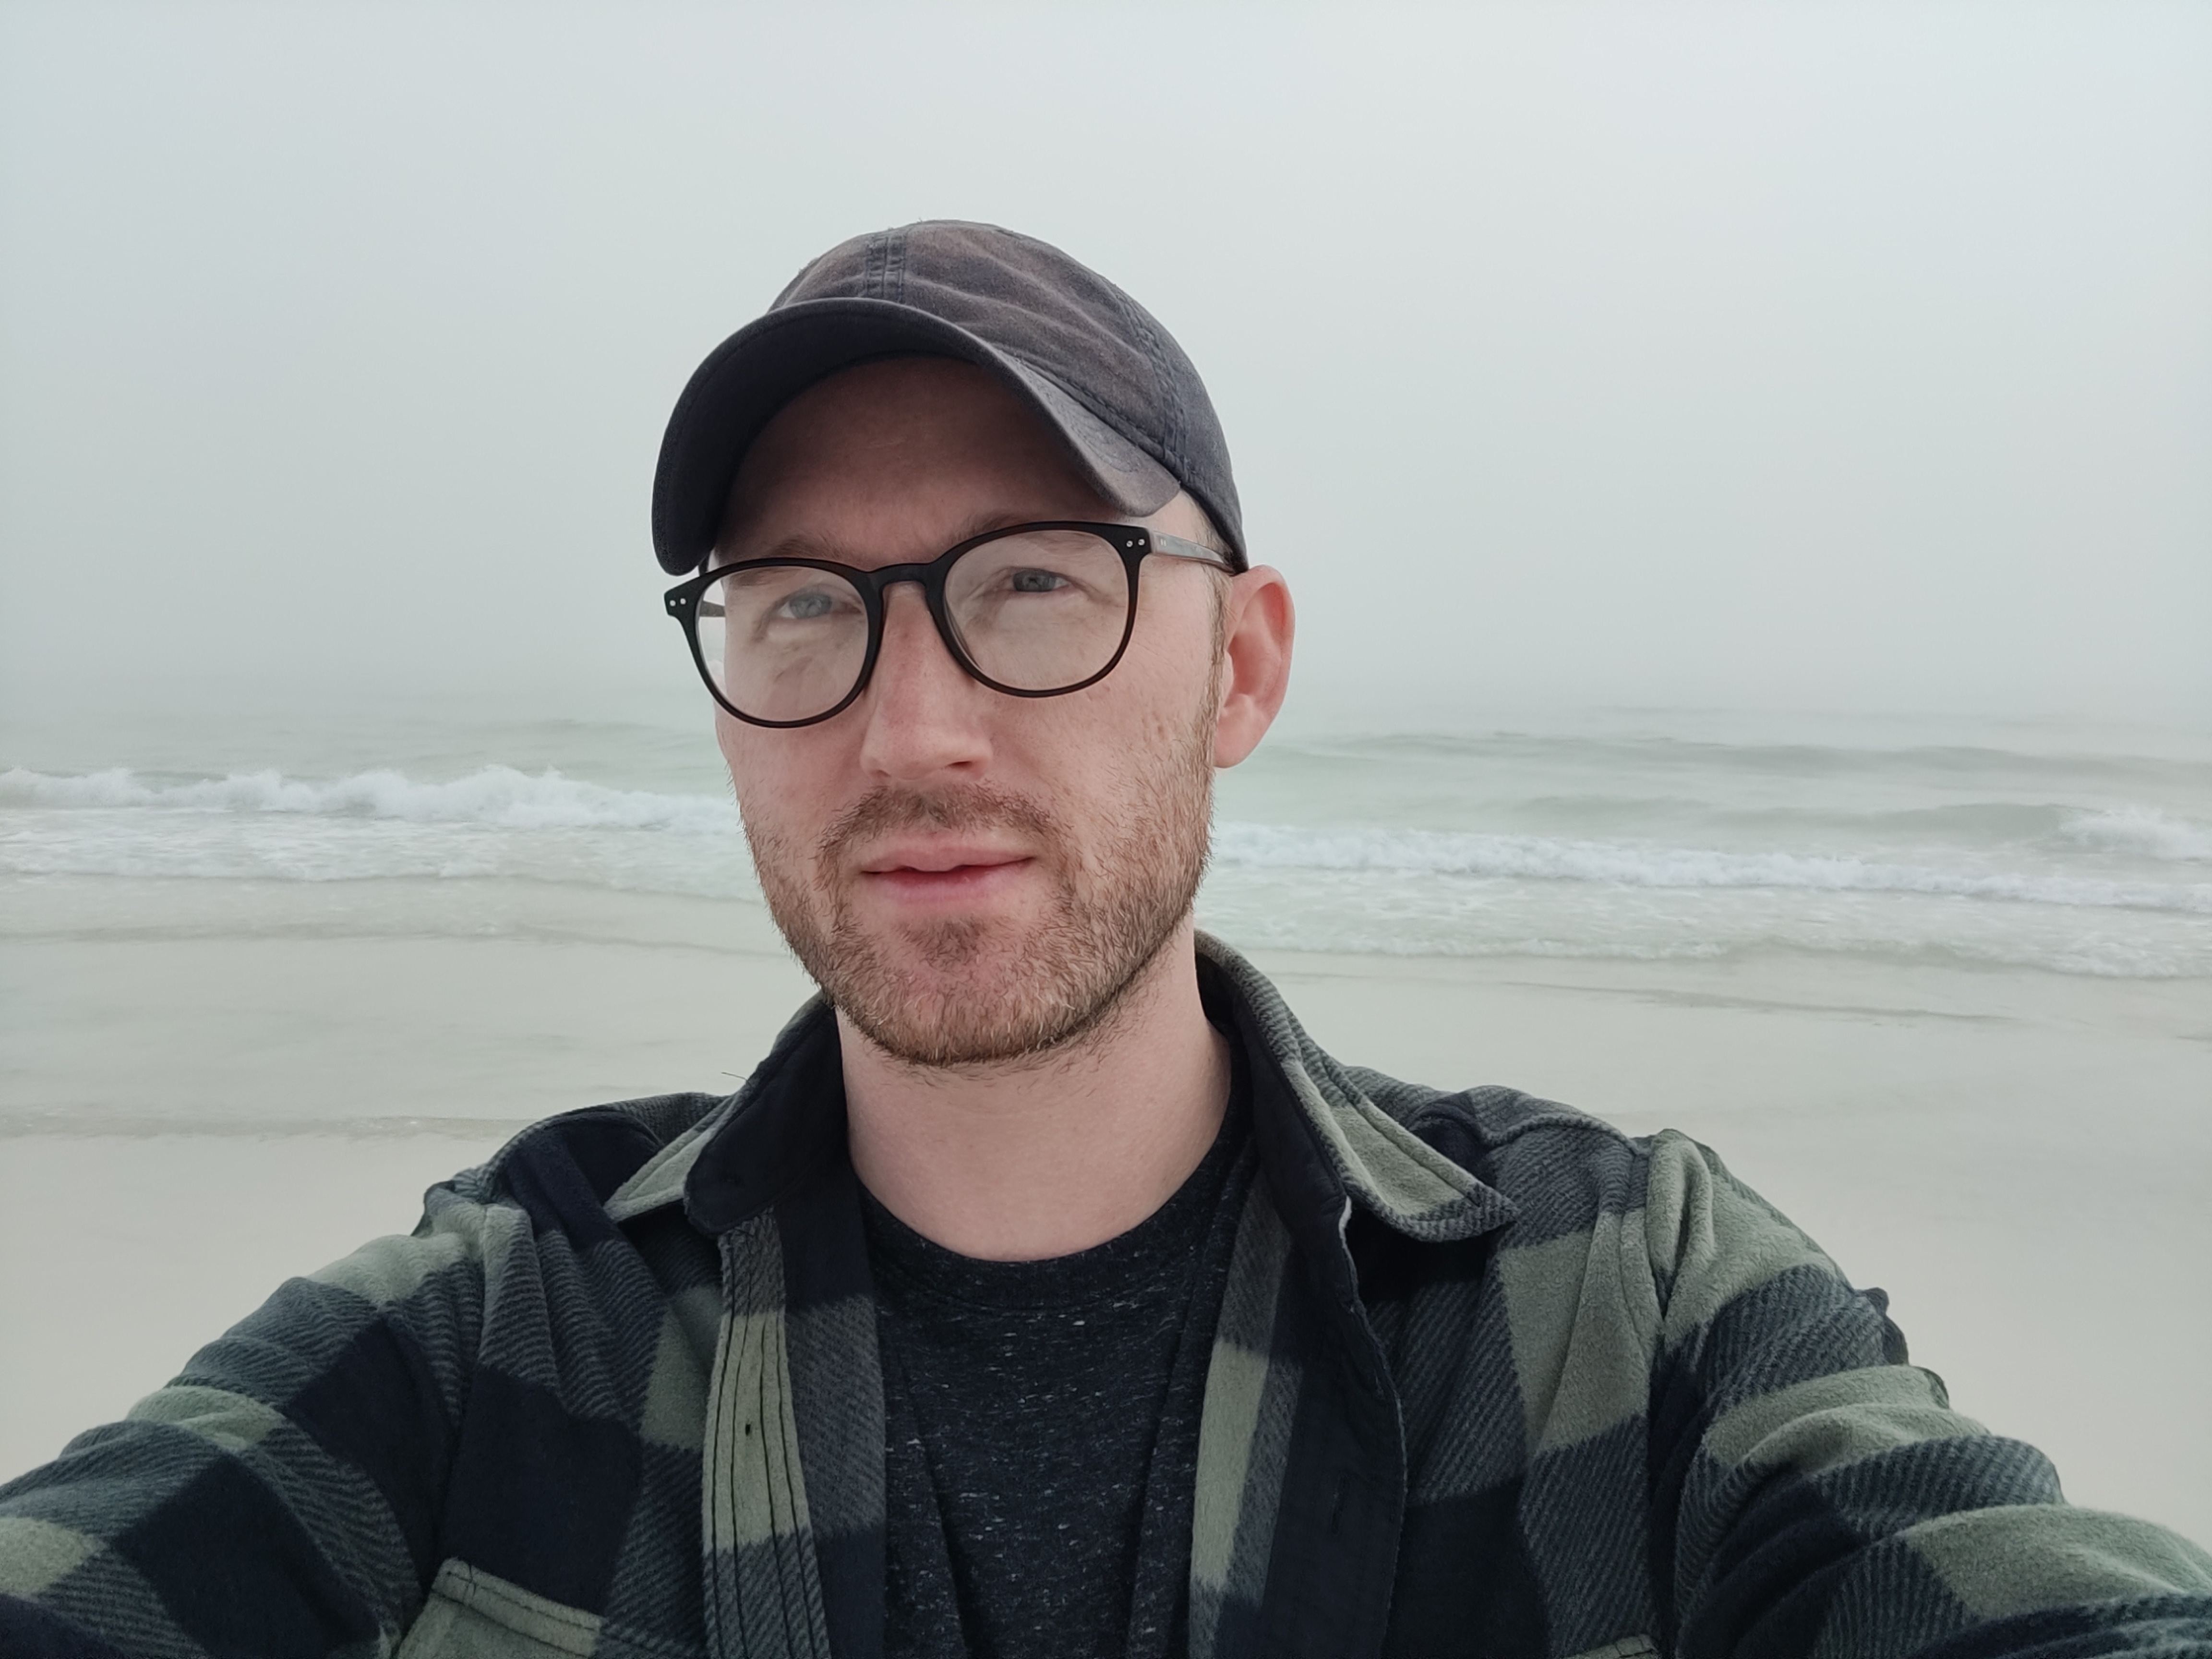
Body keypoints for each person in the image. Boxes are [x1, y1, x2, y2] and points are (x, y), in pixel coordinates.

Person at [2, 220, 2207, 1659]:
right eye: (802, 611)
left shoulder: (1618, 1302)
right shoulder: (510, 1330)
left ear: (1239, 668)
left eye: (1036, 580)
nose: (912, 725)